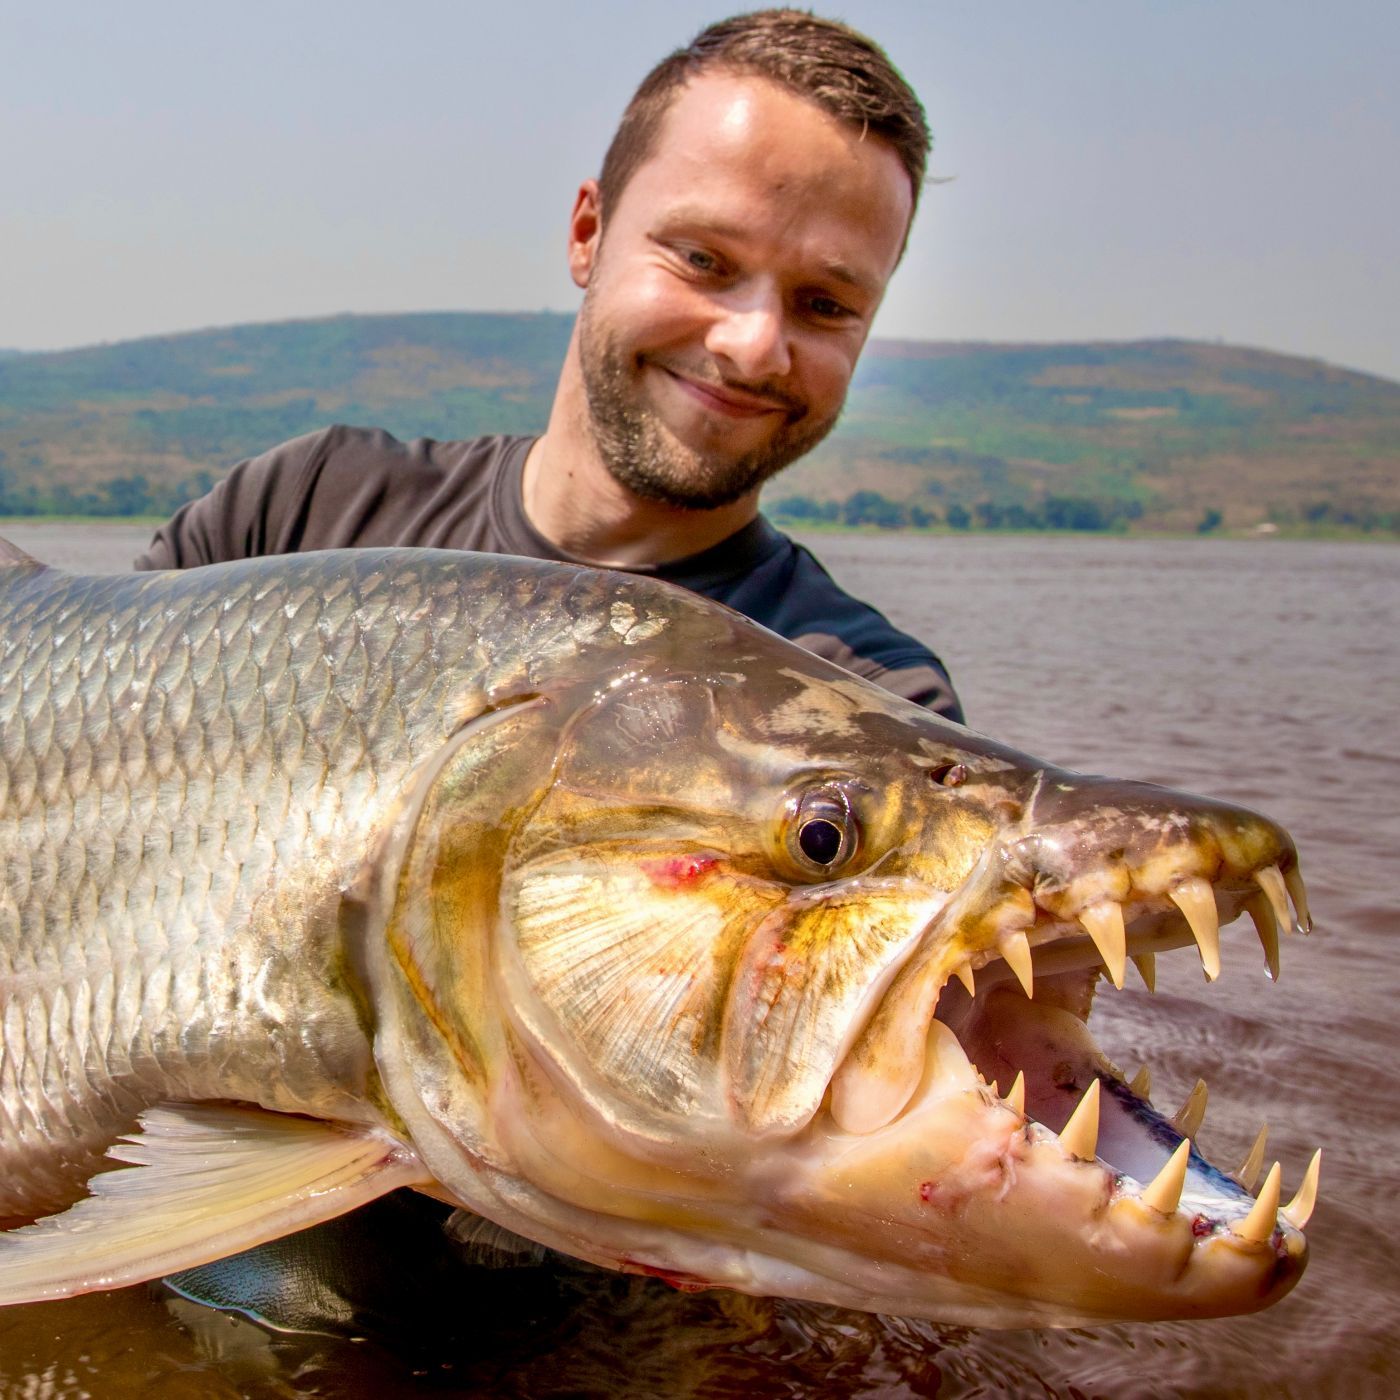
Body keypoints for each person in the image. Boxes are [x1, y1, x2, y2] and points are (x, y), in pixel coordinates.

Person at [137, 8, 962, 723]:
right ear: (587, 234)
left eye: (825, 304)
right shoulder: (302, 513)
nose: (753, 344)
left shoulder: (869, 714)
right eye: (705, 260)